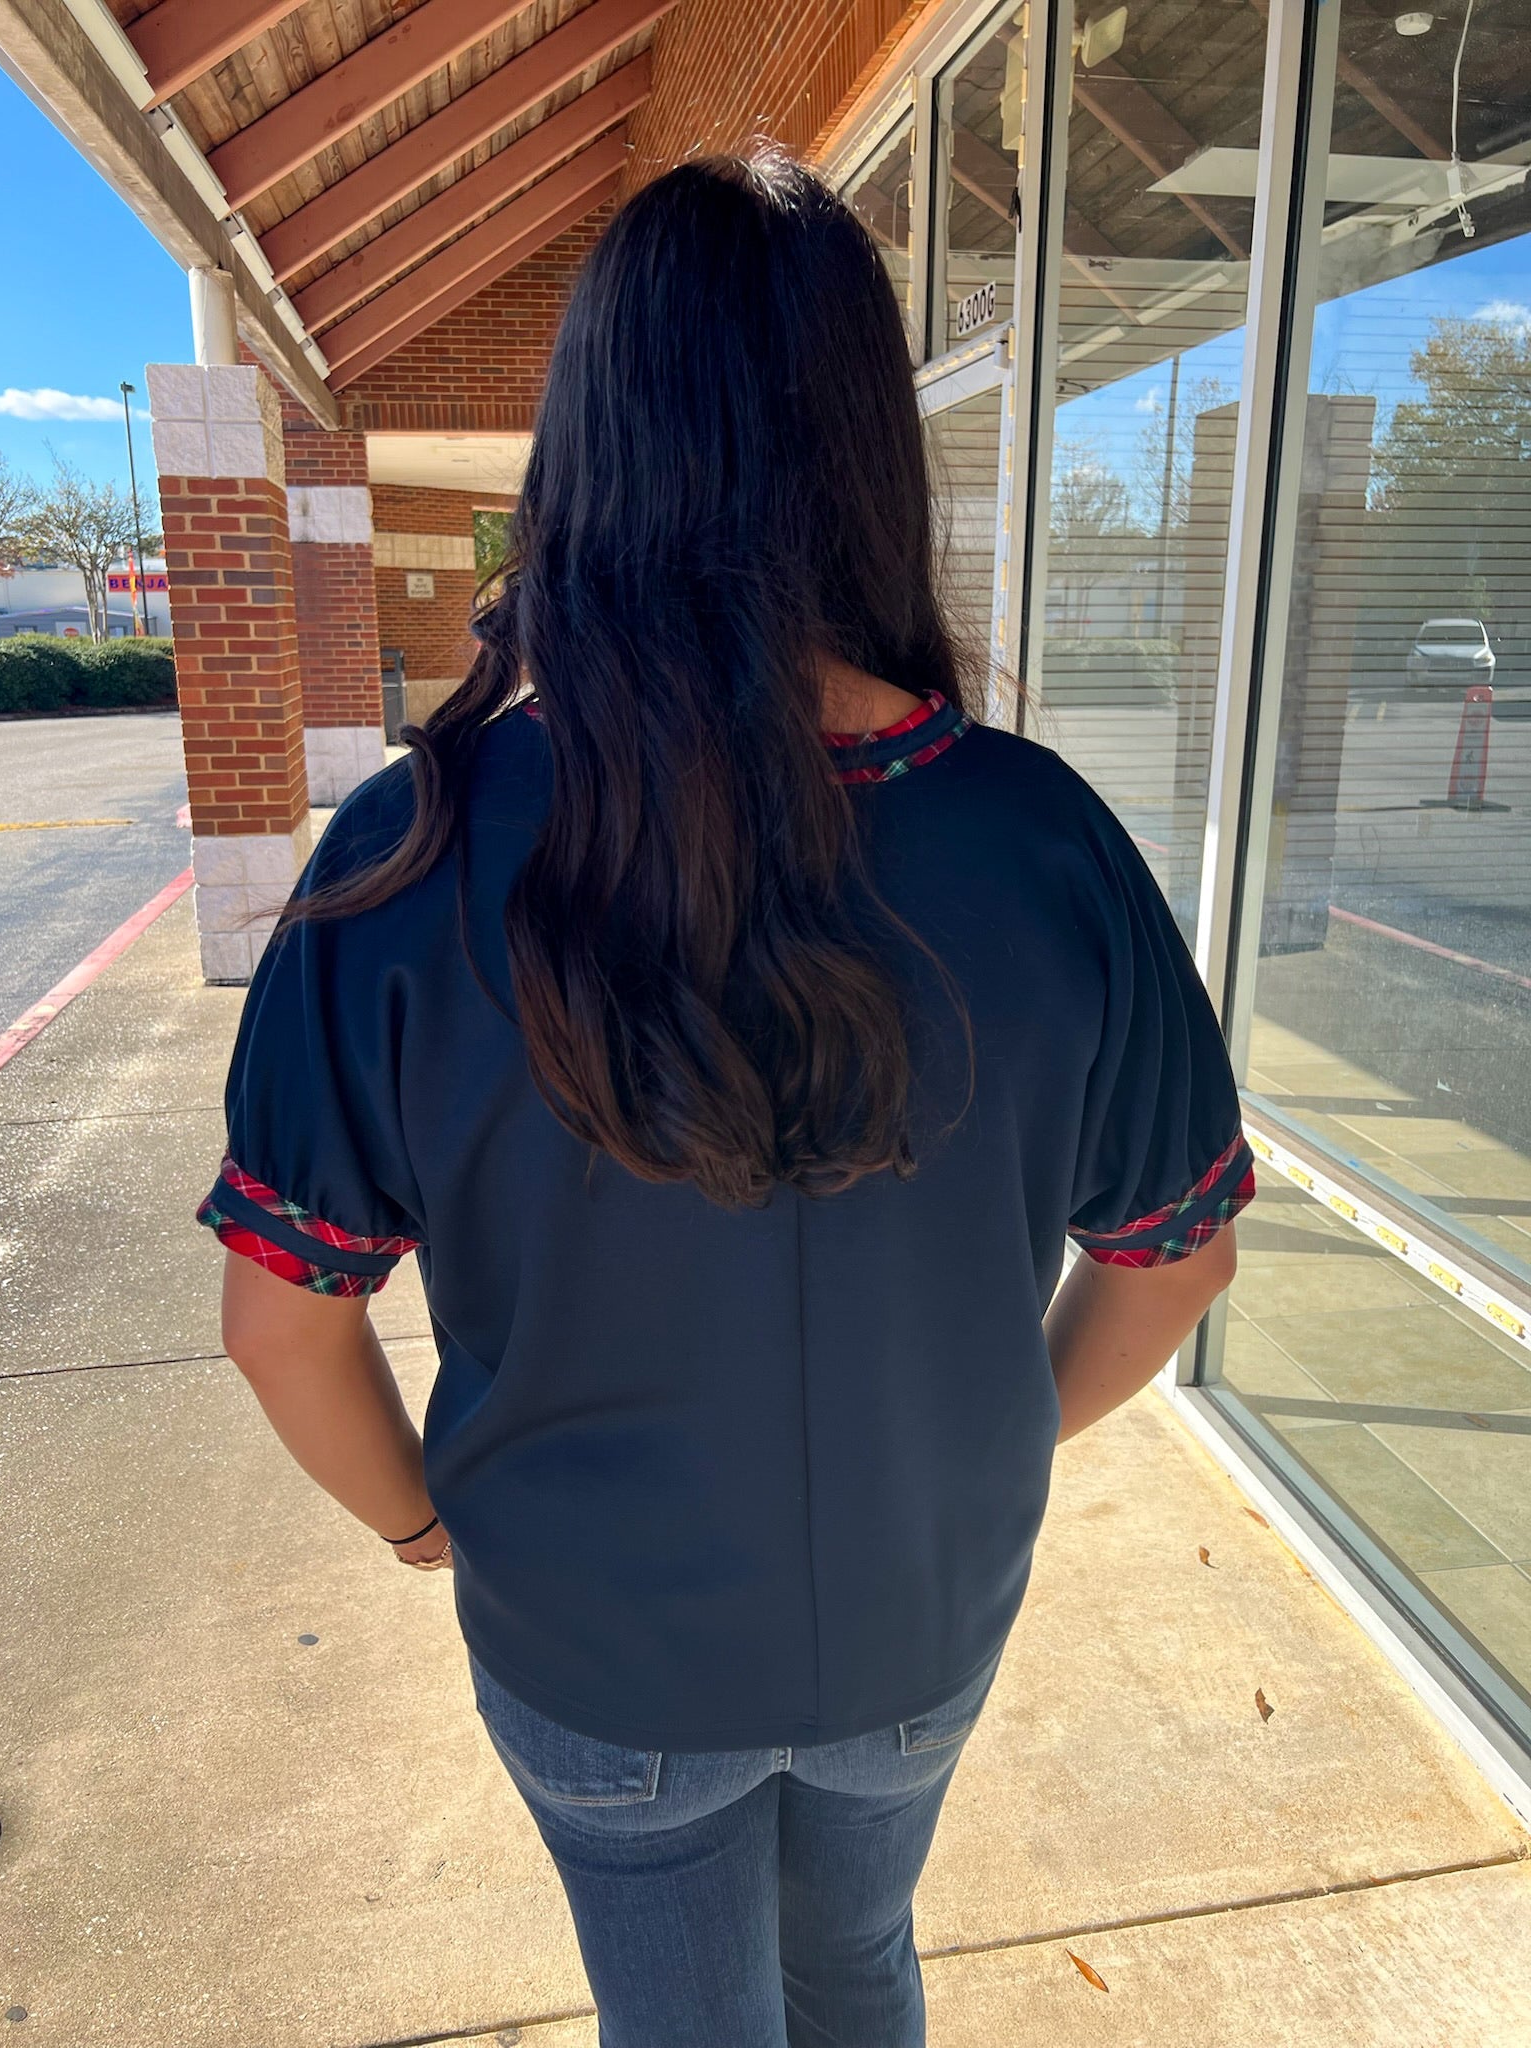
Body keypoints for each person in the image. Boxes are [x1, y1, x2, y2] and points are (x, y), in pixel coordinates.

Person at [200, 152, 1253, 2048]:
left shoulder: (414, 850)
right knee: (858, 1962)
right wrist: (990, 1440)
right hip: (927, 1627)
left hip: (593, 1648)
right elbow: (1176, 1265)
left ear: (592, 441)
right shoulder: (1044, 843)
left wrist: (428, 1530)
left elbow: (285, 1318)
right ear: (868, 446)